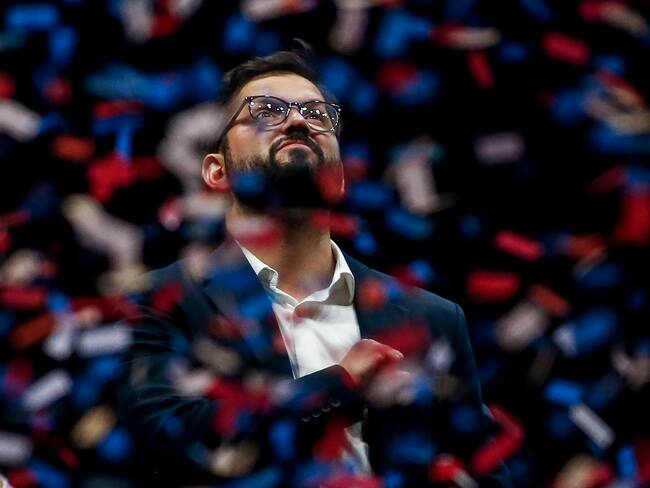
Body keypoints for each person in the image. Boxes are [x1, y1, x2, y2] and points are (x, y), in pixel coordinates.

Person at [117, 43, 512, 487]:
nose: (298, 120)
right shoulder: (161, 303)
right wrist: (340, 384)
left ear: (340, 176)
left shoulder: (433, 318)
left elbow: (481, 470)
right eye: (265, 110)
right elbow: (170, 443)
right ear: (216, 171)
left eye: (318, 114)